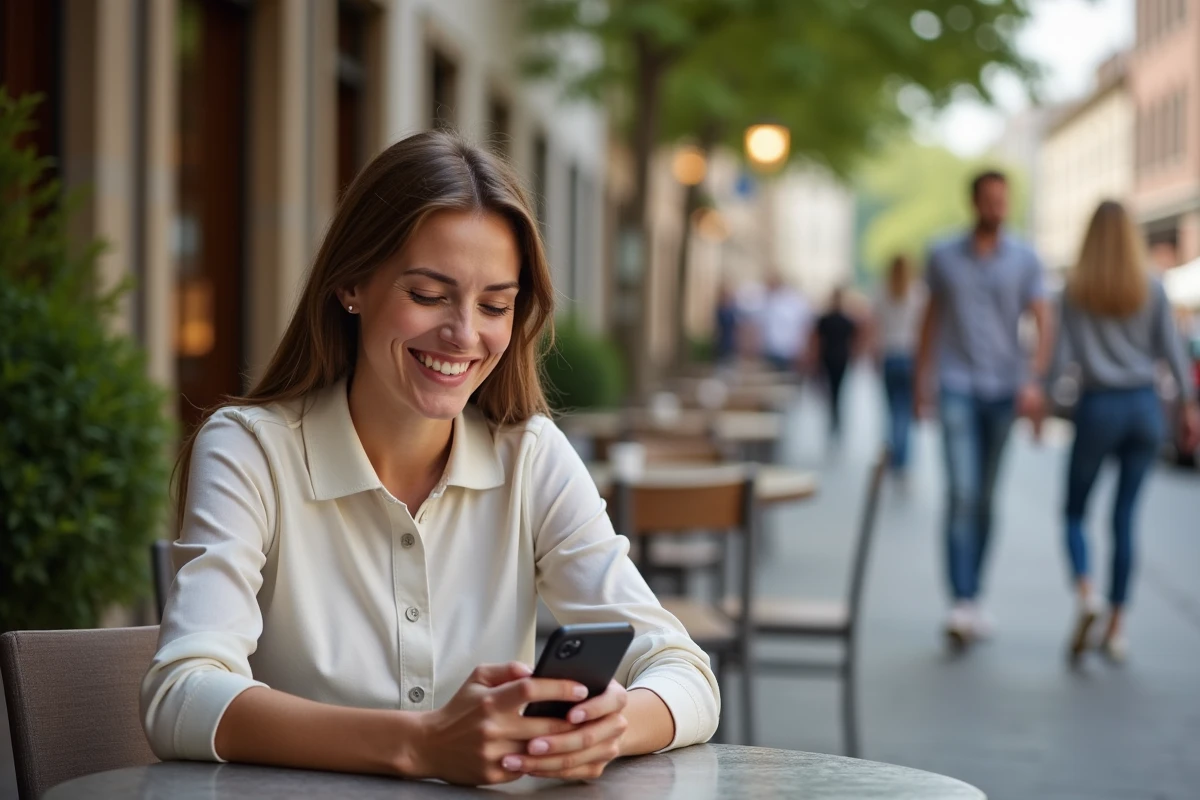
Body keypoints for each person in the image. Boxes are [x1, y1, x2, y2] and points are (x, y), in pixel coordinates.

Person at [141, 131, 719, 787]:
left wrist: (611, 725)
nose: (465, 334)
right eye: (427, 294)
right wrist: (420, 745)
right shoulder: (250, 450)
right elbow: (179, 696)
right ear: (352, 283)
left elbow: (684, 671)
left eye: (496, 304)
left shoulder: (531, 457)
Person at [1045, 200, 1200, 666]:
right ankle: (1116, 627)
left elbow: (1059, 361)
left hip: (1097, 406)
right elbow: (1173, 353)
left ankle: (1087, 593)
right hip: (1143, 407)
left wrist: (1043, 404)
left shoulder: (1075, 290)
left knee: (1074, 511)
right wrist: (1190, 408)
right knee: (1124, 518)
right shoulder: (1150, 286)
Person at [914, 170, 1053, 649]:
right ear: (973, 203)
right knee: (961, 493)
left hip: (1004, 389)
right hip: (955, 383)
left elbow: (1042, 318)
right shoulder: (942, 255)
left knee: (988, 499)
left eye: (1002, 200)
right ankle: (961, 600)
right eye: (989, 200)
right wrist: (921, 381)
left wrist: (1035, 380)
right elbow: (929, 317)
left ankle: (976, 593)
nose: (997, 208)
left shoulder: (1026, 258)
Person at [873, 255, 927, 475]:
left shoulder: (881, 291)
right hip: (910, 357)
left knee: (892, 411)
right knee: (905, 411)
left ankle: (893, 456)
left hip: (889, 356)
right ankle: (901, 460)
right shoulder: (918, 291)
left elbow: (874, 326)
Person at [812, 286, 860, 436]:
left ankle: (834, 420)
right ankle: (836, 420)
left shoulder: (825, 320)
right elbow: (855, 340)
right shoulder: (846, 320)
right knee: (838, 390)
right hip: (841, 358)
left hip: (828, 358)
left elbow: (817, 341)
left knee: (832, 391)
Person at [757, 273, 811, 372]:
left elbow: (804, 326)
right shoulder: (770, 300)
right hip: (773, 349)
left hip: (790, 351)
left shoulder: (795, 301)